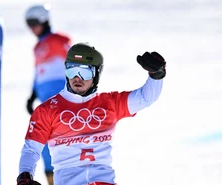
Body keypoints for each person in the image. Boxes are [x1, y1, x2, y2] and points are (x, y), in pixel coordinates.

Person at [17, 42, 166, 185]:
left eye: (84, 72)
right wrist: (25, 176)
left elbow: (145, 98)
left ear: (96, 74)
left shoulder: (109, 103)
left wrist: (156, 75)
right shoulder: (47, 110)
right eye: (72, 70)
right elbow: (31, 149)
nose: (77, 78)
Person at [24, 4, 72, 185]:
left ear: (45, 20)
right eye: (29, 23)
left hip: (62, 99)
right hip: (45, 102)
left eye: (35, 22)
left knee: (64, 138)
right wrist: (32, 94)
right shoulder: (37, 47)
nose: (32, 27)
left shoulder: (60, 40)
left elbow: (75, 64)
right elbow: (38, 72)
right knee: (43, 140)